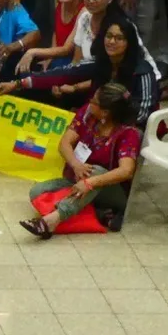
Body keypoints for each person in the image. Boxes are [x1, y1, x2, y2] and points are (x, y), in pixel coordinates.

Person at [19, 82, 141, 239]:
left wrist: (90, 183)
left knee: (95, 171)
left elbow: (126, 171)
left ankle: (51, 221)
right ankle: (100, 213)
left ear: (105, 112)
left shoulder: (128, 133)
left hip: (109, 188)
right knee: (37, 191)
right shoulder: (87, 114)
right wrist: (76, 165)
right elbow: (64, 143)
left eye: (94, 101)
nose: (90, 101)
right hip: (78, 178)